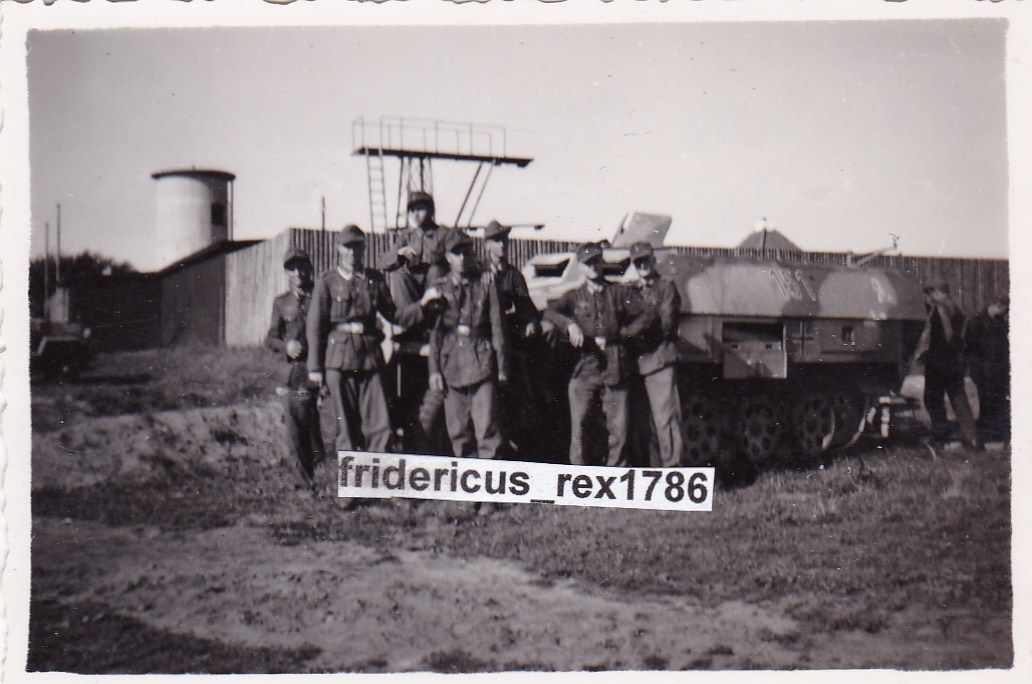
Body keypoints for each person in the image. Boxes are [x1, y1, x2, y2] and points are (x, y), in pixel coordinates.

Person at [306, 224, 433, 453]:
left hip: (370, 360)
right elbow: (315, 326)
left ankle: (375, 485)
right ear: (338, 249)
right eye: (347, 247)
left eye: (357, 247)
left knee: (380, 427)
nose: (352, 253)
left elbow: (394, 315)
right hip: (338, 362)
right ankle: (352, 488)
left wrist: (422, 306)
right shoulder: (327, 281)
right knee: (346, 430)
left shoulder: (374, 280)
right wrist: (315, 367)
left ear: (364, 248)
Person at [543, 242, 646, 467]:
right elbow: (550, 312)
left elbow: (645, 314)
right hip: (585, 366)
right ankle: (579, 479)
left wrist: (624, 334)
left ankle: (617, 478)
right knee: (579, 425)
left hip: (614, 364)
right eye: (588, 263)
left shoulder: (618, 293)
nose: (593, 267)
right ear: (580, 266)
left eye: (597, 261)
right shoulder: (574, 296)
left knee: (618, 428)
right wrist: (569, 323)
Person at [429, 230, 508, 460]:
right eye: (456, 253)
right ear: (447, 257)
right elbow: (436, 334)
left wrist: (501, 367)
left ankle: (489, 486)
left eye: (466, 252)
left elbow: (497, 328)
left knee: (487, 429)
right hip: (451, 363)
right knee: (458, 431)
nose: (462, 258)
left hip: (482, 361)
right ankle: (469, 486)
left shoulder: (486, 284)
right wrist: (434, 369)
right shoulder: (440, 288)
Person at [265, 247, 324, 488]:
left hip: (320, 370)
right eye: (292, 268)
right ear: (287, 272)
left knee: (321, 426)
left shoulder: (320, 297)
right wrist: (286, 346)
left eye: (302, 267)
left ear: (309, 269)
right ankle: (304, 482)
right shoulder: (282, 303)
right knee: (296, 428)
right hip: (294, 374)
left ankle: (327, 472)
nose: (298, 273)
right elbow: (270, 338)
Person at [483, 220, 543, 457]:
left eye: (504, 240)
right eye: (497, 240)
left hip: (512, 344)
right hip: (486, 344)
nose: (502, 245)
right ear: (487, 245)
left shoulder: (513, 275)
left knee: (517, 396)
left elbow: (526, 306)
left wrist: (530, 320)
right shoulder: (481, 273)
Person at [628, 241, 684, 467]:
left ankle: (673, 474)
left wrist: (631, 330)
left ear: (653, 260)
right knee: (644, 424)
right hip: (638, 362)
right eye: (637, 261)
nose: (642, 264)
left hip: (659, 360)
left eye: (645, 259)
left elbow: (667, 324)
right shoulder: (632, 290)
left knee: (666, 421)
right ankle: (653, 473)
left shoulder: (666, 287)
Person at [916, 277, 981, 449]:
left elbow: (933, 338)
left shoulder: (936, 310)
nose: (927, 297)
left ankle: (941, 435)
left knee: (932, 398)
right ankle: (973, 438)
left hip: (938, 363)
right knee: (959, 399)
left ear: (935, 293)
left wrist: (923, 355)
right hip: (955, 363)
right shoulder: (955, 308)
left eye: (929, 293)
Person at [965, 296, 1010, 443]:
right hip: (983, 370)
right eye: (1004, 310)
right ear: (997, 305)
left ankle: (998, 435)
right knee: (986, 403)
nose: (1006, 313)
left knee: (999, 403)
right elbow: (971, 349)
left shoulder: (1001, 322)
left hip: (999, 371)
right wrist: (975, 371)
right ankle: (985, 437)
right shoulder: (976, 322)